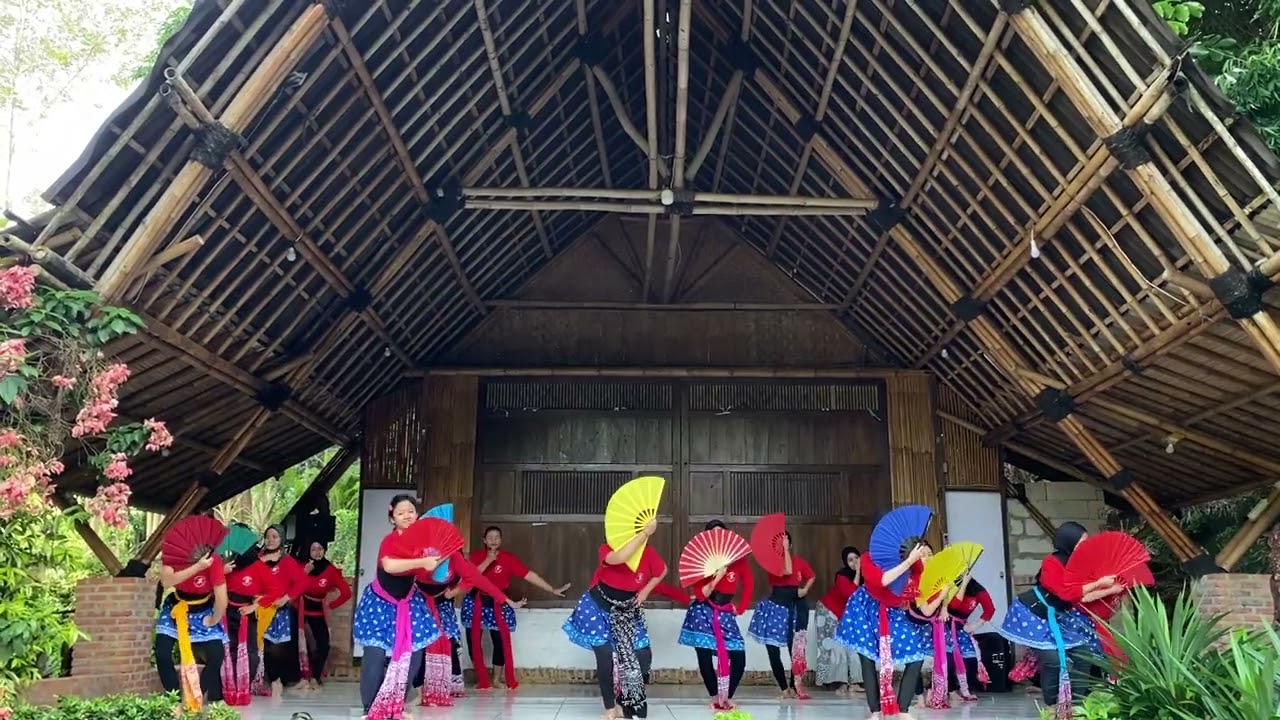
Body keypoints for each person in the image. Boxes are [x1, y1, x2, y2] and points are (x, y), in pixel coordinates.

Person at [354, 495, 523, 720]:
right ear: (392, 516)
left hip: (408, 603)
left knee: (414, 655)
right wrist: (421, 563)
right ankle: (369, 708)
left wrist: (502, 598)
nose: (407, 516)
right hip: (380, 603)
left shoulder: (428, 543)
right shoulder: (390, 540)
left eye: (411, 511)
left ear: (419, 515)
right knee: (374, 656)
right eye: (401, 512)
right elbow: (389, 565)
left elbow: (473, 576)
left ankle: (397, 704)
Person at [999, 522, 1124, 715]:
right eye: (1081, 542)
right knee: (1053, 660)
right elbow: (1065, 593)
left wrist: (1112, 589)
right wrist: (1099, 583)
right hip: (1033, 614)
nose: (1085, 546)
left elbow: (1081, 599)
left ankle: (1076, 706)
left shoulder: (1082, 566)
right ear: (1069, 541)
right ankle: (1050, 707)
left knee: (1085, 655)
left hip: (1059, 616)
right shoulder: (1051, 563)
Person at [563, 519, 666, 720]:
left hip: (626, 611)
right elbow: (619, 558)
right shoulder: (607, 548)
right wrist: (645, 534)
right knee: (605, 655)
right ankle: (609, 706)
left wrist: (645, 590)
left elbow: (662, 570)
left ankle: (624, 702)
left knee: (643, 655)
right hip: (597, 607)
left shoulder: (648, 552)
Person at [834, 539, 932, 720]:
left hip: (892, 612)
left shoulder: (911, 561)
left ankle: (903, 709)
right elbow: (882, 580)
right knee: (867, 659)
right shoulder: (868, 558)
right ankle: (875, 711)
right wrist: (908, 562)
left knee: (916, 655)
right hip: (864, 608)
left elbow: (914, 584)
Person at [462, 525, 571, 689]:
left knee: (499, 642)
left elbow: (530, 575)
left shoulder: (508, 558)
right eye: (490, 537)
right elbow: (471, 577)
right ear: (484, 540)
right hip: (476, 602)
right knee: (473, 642)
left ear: (501, 540)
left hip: (499, 602)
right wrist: (488, 560)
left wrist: (552, 589)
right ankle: (482, 678)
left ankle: (497, 679)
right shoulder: (476, 556)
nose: (493, 540)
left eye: (496, 537)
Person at [416, 554, 522, 706]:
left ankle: (446, 688)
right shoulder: (422, 554)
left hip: (444, 606)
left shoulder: (456, 559)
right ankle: (419, 693)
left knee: (451, 644)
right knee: (419, 646)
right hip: (419, 604)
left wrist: (508, 601)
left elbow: (478, 580)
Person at [677, 520, 752, 710]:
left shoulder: (738, 559)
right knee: (704, 656)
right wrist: (717, 577)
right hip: (702, 611)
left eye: (721, 534)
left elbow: (749, 585)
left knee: (738, 655)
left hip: (725, 611)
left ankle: (727, 695)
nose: (717, 538)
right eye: (712, 534)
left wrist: (741, 608)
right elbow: (700, 594)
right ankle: (715, 696)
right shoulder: (700, 561)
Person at [155, 552, 228, 710]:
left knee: (217, 655)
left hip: (203, 609)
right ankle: (173, 699)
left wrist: (213, 619)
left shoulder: (214, 559)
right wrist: (198, 567)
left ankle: (196, 698)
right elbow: (166, 581)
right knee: (162, 652)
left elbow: (222, 598)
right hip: (176, 606)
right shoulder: (174, 553)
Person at [747, 531, 815, 699]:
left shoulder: (800, 561)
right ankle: (783, 687)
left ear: (790, 545)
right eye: (780, 544)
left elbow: (812, 575)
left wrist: (805, 589)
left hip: (795, 607)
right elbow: (788, 570)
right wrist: (784, 550)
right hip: (776, 608)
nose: (784, 546)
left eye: (786, 543)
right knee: (773, 649)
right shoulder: (771, 563)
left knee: (796, 649)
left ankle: (794, 686)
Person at [256, 525, 309, 695]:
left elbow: (303, 582)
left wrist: (286, 598)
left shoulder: (286, 561)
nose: (271, 540)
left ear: (282, 540)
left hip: (281, 612)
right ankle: (269, 679)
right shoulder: (259, 558)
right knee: (263, 646)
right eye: (268, 536)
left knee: (280, 648)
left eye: (275, 537)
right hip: (261, 609)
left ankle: (283, 680)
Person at [221, 534, 273, 706]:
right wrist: (221, 571)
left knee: (251, 655)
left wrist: (253, 607)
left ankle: (243, 688)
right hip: (227, 614)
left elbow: (274, 591)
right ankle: (228, 689)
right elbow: (212, 584)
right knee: (229, 652)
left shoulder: (259, 567)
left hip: (247, 615)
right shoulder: (229, 565)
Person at [295, 541, 352, 691]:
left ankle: (315, 677)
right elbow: (290, 587)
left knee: (323, 644)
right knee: (296, 642)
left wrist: (330, 605)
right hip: (299, 608)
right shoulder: (302, 566)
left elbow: (347, 593)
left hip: (318, 611)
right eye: (313, 549)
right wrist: (303, 573)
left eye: (320, 549)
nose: (317, 552)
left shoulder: (330, 569)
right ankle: (300, 677)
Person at [815, 546, 863, 694]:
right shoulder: (841, 576)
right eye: (850, 560)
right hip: (828, 612)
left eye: (856, 558)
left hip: (844, 615)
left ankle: (853, 682)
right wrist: (858, 572)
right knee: (834, 647)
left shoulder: (865, 578)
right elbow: (851, 596)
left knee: (851, 647)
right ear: (845, 562)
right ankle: (837, 683)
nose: (854, 562)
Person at [943, 572, 995, 703]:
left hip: (961, 627)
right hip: (944, 626)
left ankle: (965, 688)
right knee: (948, 659)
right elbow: (954, 606)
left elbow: (990, 609)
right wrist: (963, 585)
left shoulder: (978, 590)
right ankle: (951, 690)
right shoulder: (948, 586)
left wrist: (975, 625)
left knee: (970, 658)